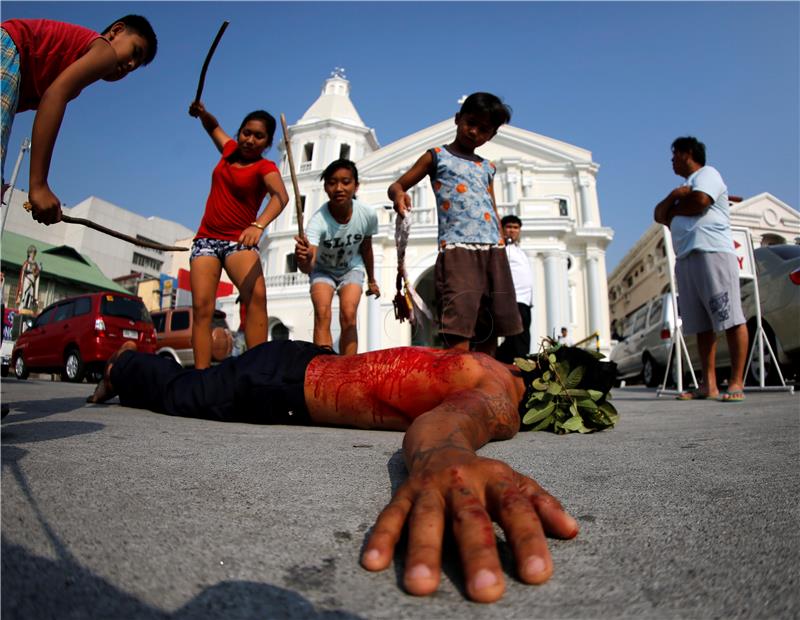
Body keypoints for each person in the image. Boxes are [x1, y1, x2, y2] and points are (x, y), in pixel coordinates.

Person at [87, 338, 579, 604]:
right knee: (181, 394)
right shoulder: (502, 393)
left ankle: (132, 370)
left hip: (302, 362)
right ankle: (124, 367)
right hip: (284, 385)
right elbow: (454, 419)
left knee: (198, 385)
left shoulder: (481, 357)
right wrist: (447, 459)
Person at [388, 92, 522, 355]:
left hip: (492, 249)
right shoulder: (436, 156)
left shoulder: (487, 167)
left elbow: (491, 206)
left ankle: (486, 381)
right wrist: (398, 196)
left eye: (484, 129)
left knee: (490, 321)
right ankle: (459, 375)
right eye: (470, 123)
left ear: (491, 135)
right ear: (457, 119)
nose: (474, 132)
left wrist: (500, 237)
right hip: (457, 248)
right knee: (459, 317)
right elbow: (398, 184)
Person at [0, 15, 157, 223]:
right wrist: (39, 186)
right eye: (134, 52)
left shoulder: (68, 67)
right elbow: (54, 96)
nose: (130, 64)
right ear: (116, 31)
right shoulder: (104, 51)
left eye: (136, 64)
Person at [188, 101, 289, 369]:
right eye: (246, 132)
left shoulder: (265, 168)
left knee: (256, 298)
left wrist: (258, 226)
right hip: (206, 240)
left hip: (238, 241)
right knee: (202, 307)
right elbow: (213, 127)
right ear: (239, 132)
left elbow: (281, 197)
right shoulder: (229, 150)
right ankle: (201, 375)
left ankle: (256, 371)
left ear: (267, 143)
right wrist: (203, 113)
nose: (250, 140)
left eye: (259, 136)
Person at [654, 136, 748, 402]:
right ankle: (709, 385)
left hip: (712, 252)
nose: (671, 162)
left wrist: (675, 209)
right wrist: (674, 197)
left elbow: (701, 202)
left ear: (686, 154)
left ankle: (737, 381)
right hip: (686, 257)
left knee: (729, 317)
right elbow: (659, 215)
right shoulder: (683, 188)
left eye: (674, 156)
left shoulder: (708, 174)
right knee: (702, 325)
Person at [294, 159, 379, 355]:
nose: (339, 188)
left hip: (351, 269)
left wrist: (372, 280)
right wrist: (303, 258)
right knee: (322, 314)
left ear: (356, 185)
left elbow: (366, 249)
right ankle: (323, 368)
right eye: (332, 183)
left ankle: (348, 370)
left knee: (349, 315)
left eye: (346, 182)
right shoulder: (317, 222)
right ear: (325, 187)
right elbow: (308, 267)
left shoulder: (367, 214)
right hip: (322, 270)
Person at [496, 214, 534, 363]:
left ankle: (498, 363)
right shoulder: (502, 249)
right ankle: (521, 371)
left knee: (516, 340)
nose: (512, 230)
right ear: (503, 230)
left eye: (516, 227)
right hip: (513, 300)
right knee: (519, 339)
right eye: (509, 227)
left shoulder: (520, 251)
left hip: (525, 302)